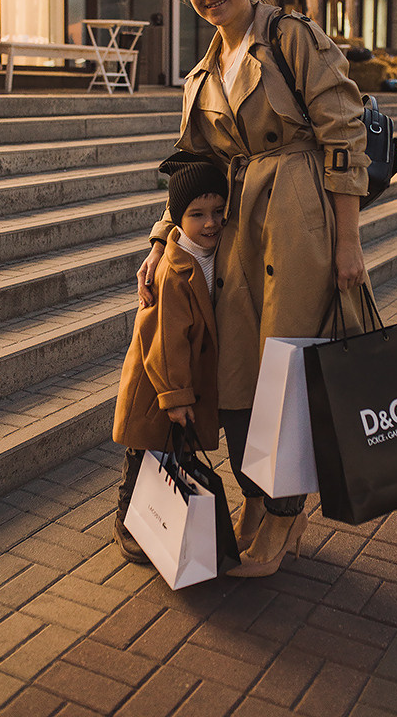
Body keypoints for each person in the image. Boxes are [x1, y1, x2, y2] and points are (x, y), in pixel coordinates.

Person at [137, 0, 371, 578]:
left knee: (287, 371)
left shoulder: (289, 37)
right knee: (237, 373)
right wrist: (162, 238)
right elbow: (189, 165)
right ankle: (261, 503)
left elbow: (342, 131)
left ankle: (282, 512)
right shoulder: (201, 74)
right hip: (235, 228)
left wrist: (348, 240)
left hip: (298, 219)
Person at [112, 156, 228, 563]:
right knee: (144, 451)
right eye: (197, 215)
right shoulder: (173, 270)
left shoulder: (216, 254)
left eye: (218, 212)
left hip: (182, 381)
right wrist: (176, 396)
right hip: (158, 383)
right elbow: (165, 341)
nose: (210, 222)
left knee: (175, 453)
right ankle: (128, 518)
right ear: (177, 220)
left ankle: (166, 520)